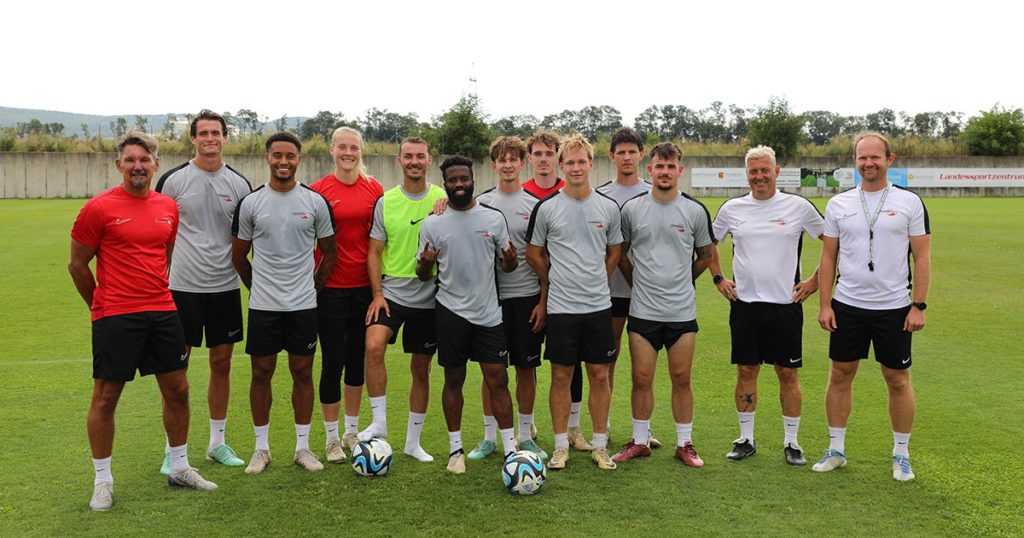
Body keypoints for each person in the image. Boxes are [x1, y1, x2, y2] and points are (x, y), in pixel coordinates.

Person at [69, 130, 217, 512]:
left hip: (163, 311)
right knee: (106, 398)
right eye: (130, 160)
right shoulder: (98, 208)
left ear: (155, 164)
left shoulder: (168, 206)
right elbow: (77, 265)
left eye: (144, 159)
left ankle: (179, 467)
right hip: (116, 315)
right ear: (119, 165)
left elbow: (163, 255)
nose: (138, 166)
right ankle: (103, 481)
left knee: (179, 390)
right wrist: (98, 305)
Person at [815, 132, 930, 481]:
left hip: (895, 307)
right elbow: (828, 255)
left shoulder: (910, 202)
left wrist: (918, 305)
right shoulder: (839, 204)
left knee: (897, 379)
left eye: (875, 157)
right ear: (855, 161)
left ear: (890, 159)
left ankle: (901, 454)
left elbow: (922, 257)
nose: (868, 163)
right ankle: (836, 449)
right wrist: (824, 304)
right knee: (840, 374)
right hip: (847, 305)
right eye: (862, 158)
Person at [708, 145, 824, 466]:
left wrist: (814, 281)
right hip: (745, 305)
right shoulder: (732, 209)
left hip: (785, 306)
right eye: (753, 171)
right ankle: (745, 439)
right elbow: (709, 244)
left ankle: (792, 442)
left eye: (764, 170)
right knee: (747, 370)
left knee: (787, 372)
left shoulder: (798, 207)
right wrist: (719, 278)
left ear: (777, 171)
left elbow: (833, 242)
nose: (759, 176)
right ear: (747, 174)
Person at [231, 132, 337, 474]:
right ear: (267, 158)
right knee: (261, 373)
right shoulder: (251, 203)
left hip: (303, 307)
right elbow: (238, 256)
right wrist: (257, 288)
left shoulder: (314, 202)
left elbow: (331, 252)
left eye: (290, 156)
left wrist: (313, 289)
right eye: (277, 155)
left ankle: (302, 448)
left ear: (298, 159)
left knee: (302, 372)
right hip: (264, 307)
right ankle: (261, 449)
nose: (283, 162)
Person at [155, 109, 251, 473]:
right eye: (204, 133)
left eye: (217, 133)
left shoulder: (240, 185)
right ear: (193, 138)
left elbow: (243, 238)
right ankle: (172, 449)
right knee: (175, 371)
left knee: (221, 363)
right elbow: (160, 234)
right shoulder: (174, 180)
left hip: (224, 287)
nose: (210, 138)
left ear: (226, 138)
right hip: (182, 287)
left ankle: (217, 443)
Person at [611, 142, 713, 468]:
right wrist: (637, 282)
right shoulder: (632, 210)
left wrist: (684, 280)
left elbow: (706, 256)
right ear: (650, 169)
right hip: (642, 311)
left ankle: (685, 443)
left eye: (671, 166)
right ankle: (639, 441)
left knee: (681, 377)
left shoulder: (695, 211)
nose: (665, 172)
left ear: (680, 170)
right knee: (641, 377)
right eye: (659, 166)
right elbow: (622, 254)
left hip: (681, 312)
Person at [416, 155, 519, 473]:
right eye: (452, 180)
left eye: (464, 178)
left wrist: (511, 259)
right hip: (451, 313)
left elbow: (508, 265)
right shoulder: (433, 223)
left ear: (473, 179)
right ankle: (455, 450)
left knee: (498, 380)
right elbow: (422, 274)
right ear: (444, 183)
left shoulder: (493, 219)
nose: (459, 184)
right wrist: (426, 261)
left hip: (488, 314)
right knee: (454, 379)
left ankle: (511, 451)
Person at [526, 134, 622, 471]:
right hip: (562, 308)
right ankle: (559, 446)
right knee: (561, 376)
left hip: (598, 306)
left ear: (591, 164)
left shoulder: (608, 207)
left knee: (599, 375)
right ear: (560, 166)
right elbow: (533, 252)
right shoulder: (548, 207)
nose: (576, 168)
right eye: (570, 162)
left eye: (582, 162)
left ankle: (599, 446)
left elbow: (614, 250)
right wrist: (552, 278)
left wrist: (599, 275)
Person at [359, 136, 447, 463]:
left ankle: (413, 442)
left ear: (428, 159)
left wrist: (447, 210)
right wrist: (378, 294)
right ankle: (379, 423)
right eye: (408, 156)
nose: (414, 161)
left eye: (420, 156)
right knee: (373, 346)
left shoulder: (443, 197)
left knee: (420, 368)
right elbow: (375, 251)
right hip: (392, 293)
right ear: (399, 160)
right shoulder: (386, 201)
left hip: (430, 296)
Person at [466, 136, 548, 462]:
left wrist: (543, 301)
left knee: (526, 370)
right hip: (490, 301)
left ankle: (526, 436)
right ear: (494, 165)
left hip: (527, 299)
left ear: (522, 163)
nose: (508, 165)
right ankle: (489, 438)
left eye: (514, 159)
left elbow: (545, 258)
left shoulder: (535, 206)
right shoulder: (482, 203)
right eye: (502, 159)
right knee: (493, 371)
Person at [309, 127, 384, 464]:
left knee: (356, 360)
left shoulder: (375, 190)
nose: (348, 152)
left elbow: (379, 241)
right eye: (342, 147)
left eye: (354, 147)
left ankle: (351, 432)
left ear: (361, 151)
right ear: (332, 150)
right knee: (333, 361)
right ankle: (330, 438)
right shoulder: (318, 191)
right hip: (329, 288)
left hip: (364, 288)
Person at [522, 130, 590, 451]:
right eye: (538, 153)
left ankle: (574, 428)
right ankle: (529, 421)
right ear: (530, 158)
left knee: (570, 362)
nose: (544, 159)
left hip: (569, 296)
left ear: (557, 159)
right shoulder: (519, 194)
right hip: (528, 294)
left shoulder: (574, 192)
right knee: (528, 361)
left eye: (550, 153)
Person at [596, 127, 659, 448]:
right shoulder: (601, 194)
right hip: (609, 293)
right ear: (611, 156)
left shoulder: (653, 193)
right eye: (620, 152)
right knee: (608, 359)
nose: (626, 157)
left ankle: (642, 429)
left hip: (646, 295)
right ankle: (602, 424)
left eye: (632, 151)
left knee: (644, 365)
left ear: (641, 155)